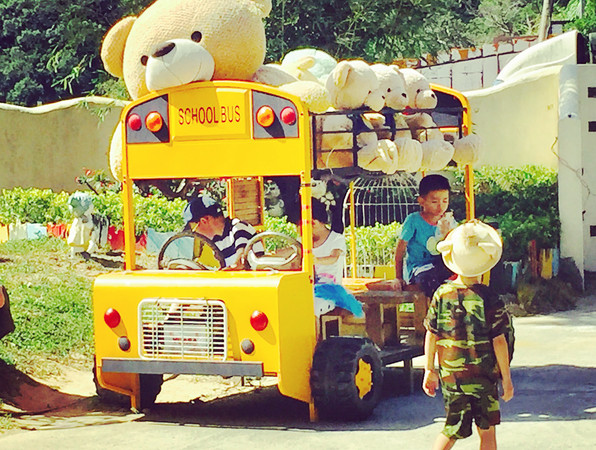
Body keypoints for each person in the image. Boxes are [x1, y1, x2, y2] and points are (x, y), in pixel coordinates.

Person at [423, 220, 514, 450]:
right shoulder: (490, 298)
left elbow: (431, 334)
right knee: (487, 433)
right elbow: (500, 342)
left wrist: (429, 369)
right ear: (486, 263)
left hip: (452, 378)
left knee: (452, 429)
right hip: (483, 377)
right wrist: (507, 378)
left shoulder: (441, 294)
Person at [394, 174, 457, 297]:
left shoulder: (449, 221)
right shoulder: (413, 220)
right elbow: (400, 250)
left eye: (445, 200)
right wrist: (398, 277)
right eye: (434, 201)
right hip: (420, 269)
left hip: (441, 266)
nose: (440, 206)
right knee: (430, 280)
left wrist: (448, 233)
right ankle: (436, 311)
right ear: (421, 201)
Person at [183, 194, 262, 270]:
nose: (195, 234)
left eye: (193, 228)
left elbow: (240, 263)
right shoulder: (217, 241)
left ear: (204, 221)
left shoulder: (239, 228)